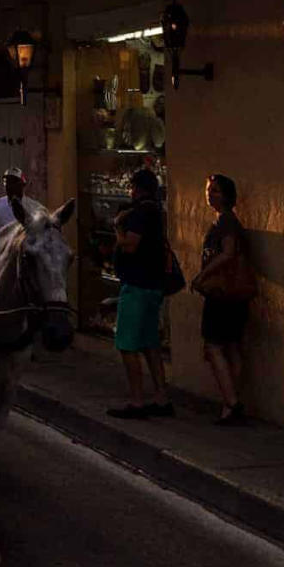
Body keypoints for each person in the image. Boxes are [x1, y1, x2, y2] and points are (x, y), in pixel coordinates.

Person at [107, 166, 174, 420]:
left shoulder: (139, 213)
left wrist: (117, 228)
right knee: (149, 344)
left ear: (138, 188)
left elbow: (130, 245)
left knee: (127, 345)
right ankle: (161, 397)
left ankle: (137, 400)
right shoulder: (155, 211)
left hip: (136, 285)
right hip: (152, 286)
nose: (130, 191)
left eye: (132, 187)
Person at [190, 173, 251, 425]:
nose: (210, 194)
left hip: (223, 294)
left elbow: (228, 253)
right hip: (233, 295)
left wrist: (203, 275)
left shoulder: (226, 222)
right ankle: (230, 402)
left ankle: (232, 402)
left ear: (226, 195)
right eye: (208, 189)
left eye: (215, 190)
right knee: (231, 346)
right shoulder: (224, 221)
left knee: (214, 346)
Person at [0, 166, 39, 233]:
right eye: (6, 182)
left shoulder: (35, 208)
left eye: (14, 181)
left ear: (23, 184)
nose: (9, 186)